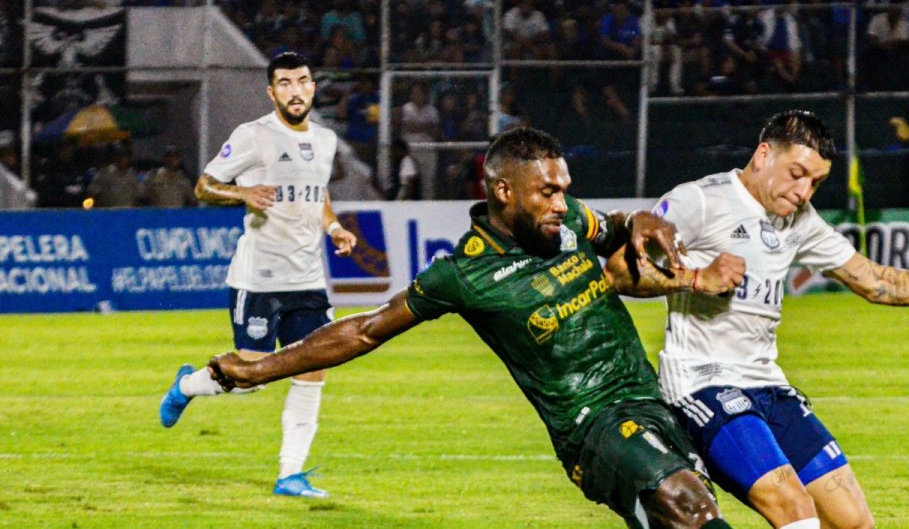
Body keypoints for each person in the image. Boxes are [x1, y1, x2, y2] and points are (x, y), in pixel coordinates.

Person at [207, 127, 748, 528]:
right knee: (690, 506)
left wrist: (639, 220)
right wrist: (261, 369)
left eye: (564, 190)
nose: (562, 203)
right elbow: (364, 330)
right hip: (591, 427)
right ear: (505, 192)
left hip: (649, 399)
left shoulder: (566, 224)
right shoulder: (463, 274)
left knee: (683, 519)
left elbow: (615, 229)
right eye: (548, 193)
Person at [652, 110, 909, 529]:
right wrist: (696, 278)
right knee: (795, 509)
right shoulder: (700, 200)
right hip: (702, 380)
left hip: (767, 384)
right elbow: (623, 270)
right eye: (797, 174)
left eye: (815, 182)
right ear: (764, 155)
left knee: (854, 521)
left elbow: (874, 281)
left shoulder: (798, 219)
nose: (804, 192)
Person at [158, 52, 358, 499]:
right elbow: (204, 186)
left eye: (302, 81)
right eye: (284, 83)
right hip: (259, 279)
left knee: (313, 369)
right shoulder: (253, 136)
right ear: (272, 92)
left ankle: (290, 474)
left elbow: (317, 193)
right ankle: (189, 384)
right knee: (250, 376)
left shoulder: (324, 141)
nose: (294, 89)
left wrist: (334, 226)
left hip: (307, 278)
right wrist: (241, 191)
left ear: (312, 87)